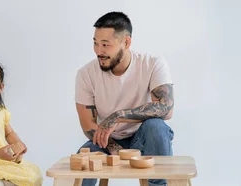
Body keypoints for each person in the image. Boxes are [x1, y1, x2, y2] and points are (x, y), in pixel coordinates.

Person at [74, 11, 175, 186]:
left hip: (143, 137)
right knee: (85, 157)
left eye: (105, 45)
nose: (99, 51)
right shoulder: (86, 74)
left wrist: (119, 115)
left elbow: (166, 108)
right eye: (96, 43)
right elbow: (88, 124)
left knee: (156, 126)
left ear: (126, 42)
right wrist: (114, 147)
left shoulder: (152, 63)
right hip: (107, 140)